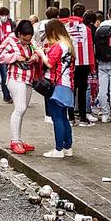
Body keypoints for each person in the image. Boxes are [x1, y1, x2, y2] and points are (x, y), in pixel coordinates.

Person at [0, 19, 40, 154]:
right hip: (15, 78)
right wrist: (14, 56)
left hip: (28, 79)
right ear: (19, 34)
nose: (27, 42)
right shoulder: (10, 41)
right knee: (19, 108)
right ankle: (15, 140)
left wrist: (36, 57)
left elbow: (39, 51)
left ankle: (19, 140)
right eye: (25, 39)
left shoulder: (32, 42)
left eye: (29, 39)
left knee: (23, 109)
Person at [39, 19, 76, 159]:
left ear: (53, 32)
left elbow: (49, 63)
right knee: (64, 118)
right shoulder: (68, 45)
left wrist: (41, 53)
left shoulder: (58, 46)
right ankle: (68, 147)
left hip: (56, 85)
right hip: (67, 85)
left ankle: (59, 149)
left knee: (57, 118)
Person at [63, 3, 96, 124]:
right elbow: (90, 48)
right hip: (84, 63)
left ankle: (70, 117)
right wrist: (92, 66)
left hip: (70, 62)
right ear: (83, 13)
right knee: (82, 90)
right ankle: (82, 118)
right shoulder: (86, 29)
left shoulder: (66, 27)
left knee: (71, 89)